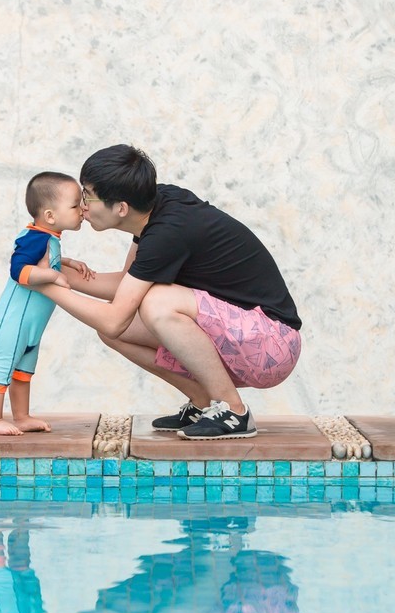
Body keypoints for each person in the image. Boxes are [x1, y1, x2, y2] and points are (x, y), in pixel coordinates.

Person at [31, 145, 301, 439]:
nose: (81, 205)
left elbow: (114, 317)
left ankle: (234, 411)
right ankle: (202, 401)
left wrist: (47, 286)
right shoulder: (155, 207)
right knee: (114, 330)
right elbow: (126, 285)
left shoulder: (167, 233)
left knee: (155, 303)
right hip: (247, 337)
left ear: (121, 208)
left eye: (87, 195)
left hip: (273, 342)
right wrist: (54, 271)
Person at [0, 171, 94, 435]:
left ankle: (21, 416)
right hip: (15, 320)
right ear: (50, 216)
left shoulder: (48, 238)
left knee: (23, 372)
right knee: (3, 369)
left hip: (31, 325)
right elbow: (19, 271)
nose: (82, 209)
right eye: (75, 204)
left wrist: (67, 263)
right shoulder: (36, 238)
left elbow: (45, 260)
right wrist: (54, 275)